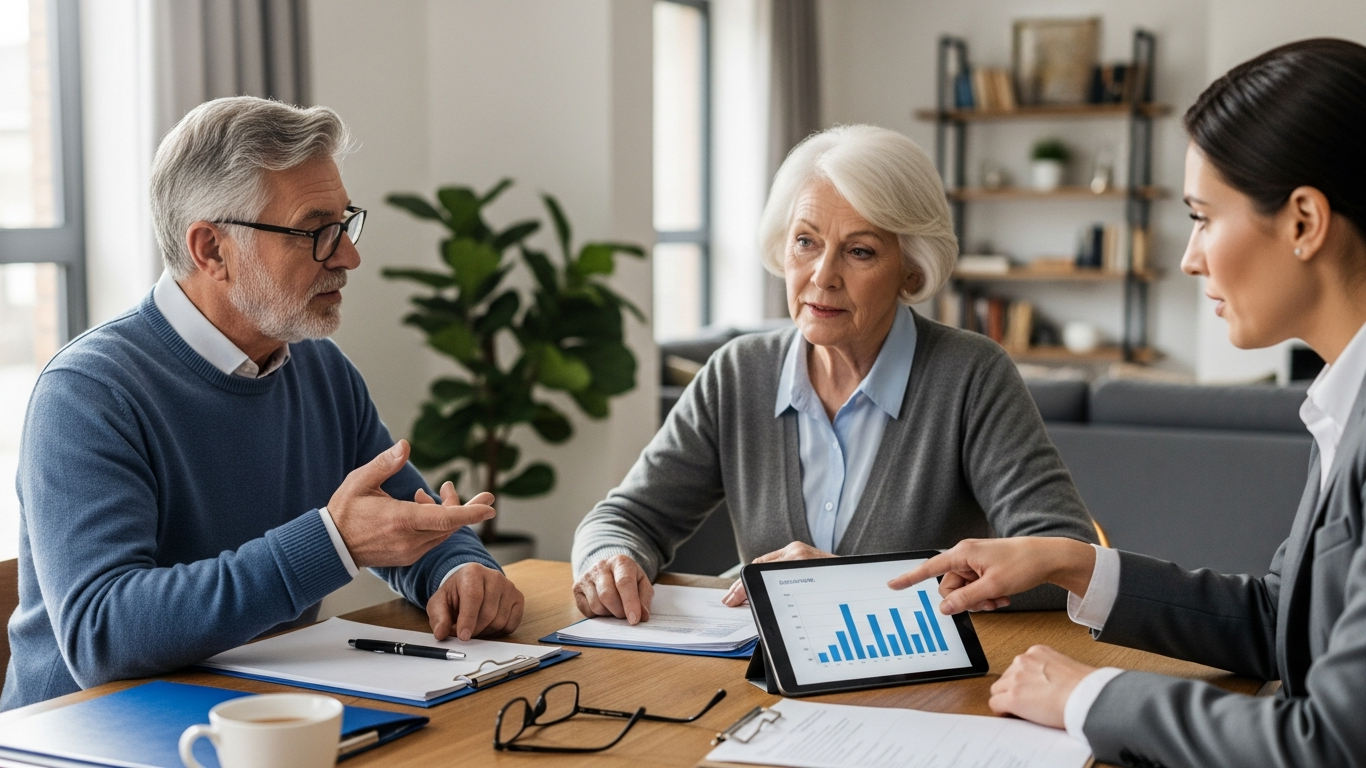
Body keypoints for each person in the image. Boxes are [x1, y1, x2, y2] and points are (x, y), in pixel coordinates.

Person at [890, 38, 1366, 767]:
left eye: (1204, 217)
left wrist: (1085, 696)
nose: (1189, 256)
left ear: (1304, 222)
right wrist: (1074, 563)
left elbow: (1329, 743)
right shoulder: (1343, 402)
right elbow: (1283, 621)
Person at [2, 97, 524, 710]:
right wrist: (333, 544)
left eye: (346, 223)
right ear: (212, 250)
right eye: (314, 232)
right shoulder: (88, 393)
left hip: (260, 713)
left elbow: (404, 514)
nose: (348, 256)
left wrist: (459, 569)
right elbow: (103, 636)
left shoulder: (321, 368)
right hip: (85, 736)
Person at [571, 124, 1097, 624]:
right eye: (806, 241)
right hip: (765, 688)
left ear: (911, 270)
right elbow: (626, 519)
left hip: (922, 693)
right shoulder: (738, 373)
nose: (823, 276)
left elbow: (1069, 564)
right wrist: (610, 559)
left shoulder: (971, 376)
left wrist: (848, 583)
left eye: (860, 251)